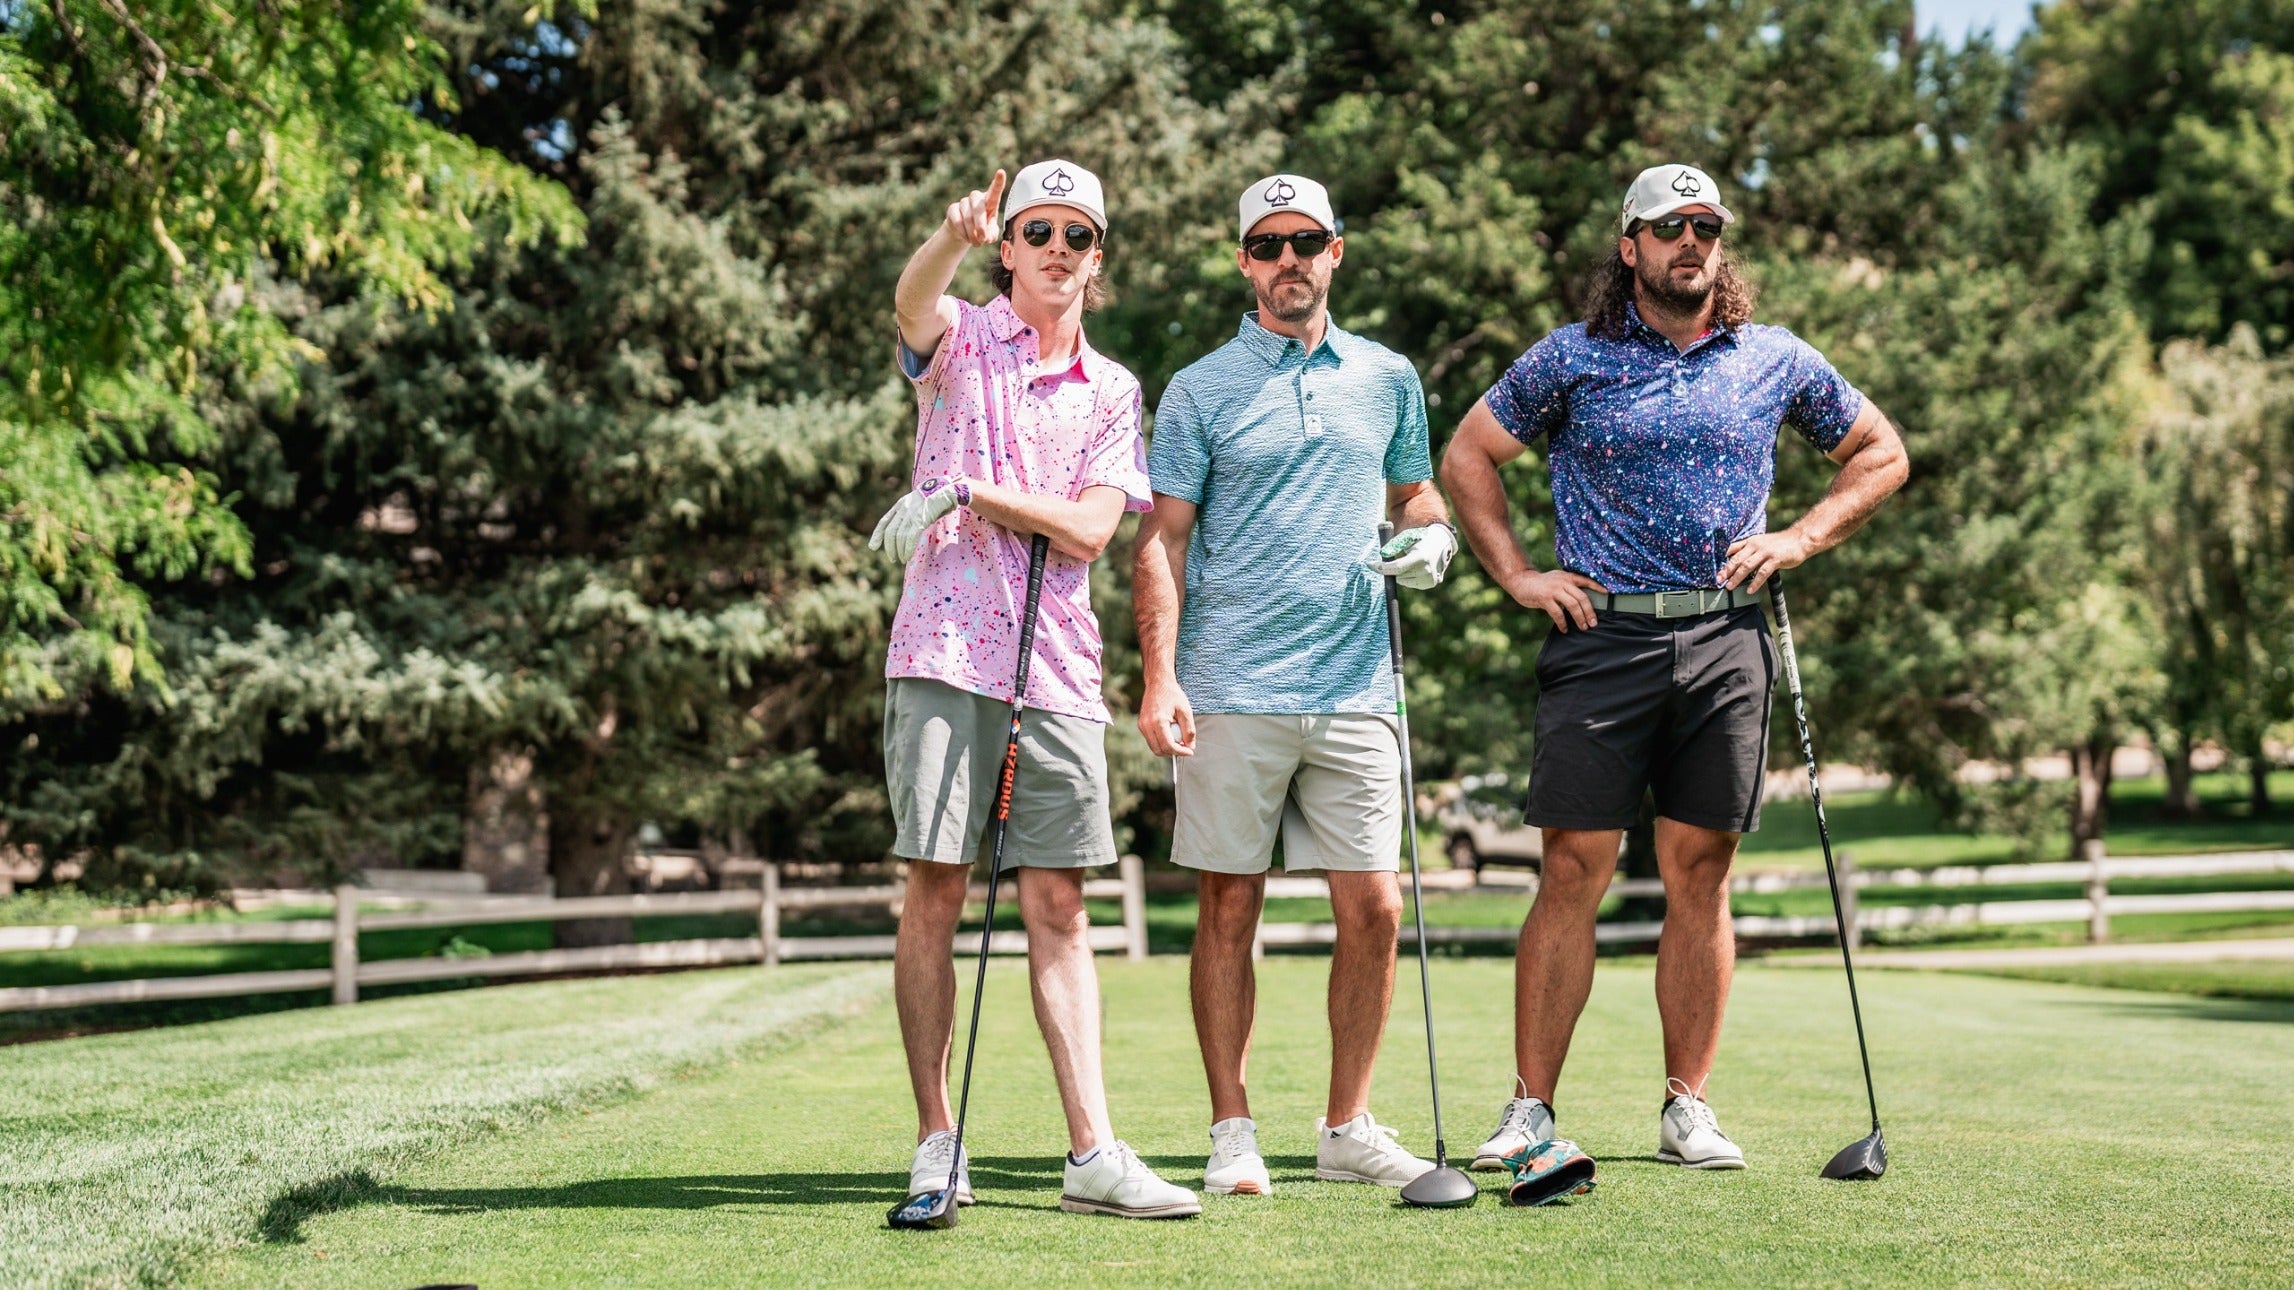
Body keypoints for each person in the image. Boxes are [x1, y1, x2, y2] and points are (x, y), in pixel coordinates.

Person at [1438, 163, 1909, 1174]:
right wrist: (1516, 573)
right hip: (1601, 638)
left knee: (1701, 873)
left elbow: (1880, 452)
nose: (1689, 241)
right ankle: (1530, 1110)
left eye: (1704, 226)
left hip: (1726, 640)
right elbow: (1468, 454)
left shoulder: (1772, 357)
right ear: (1630, 247)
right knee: (1573, 868)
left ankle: (1686, 1106)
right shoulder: (1572, 357)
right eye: (1667, 227)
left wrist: (1800, 538)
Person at [869, 159, 1199, 1220]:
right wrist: (948, 235)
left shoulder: (1113, 389)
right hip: (942, 652)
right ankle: (937, 1142)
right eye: (1038, 231)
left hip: (1054, 667)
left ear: (1096, 260)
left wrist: (966, 489)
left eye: (1077, 236)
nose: (1058, 249)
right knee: (936, 887)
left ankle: (1091, 1153)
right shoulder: (961, 340)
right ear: (1008, 248)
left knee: (1059, 904)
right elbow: (910, 303)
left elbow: (1094, 530)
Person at [1135, 173, 1457, 1197]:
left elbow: (1413, 490)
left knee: (1375, 907)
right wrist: (1158, 675)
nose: (1288, 261)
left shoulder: (1387, 376)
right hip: (1230, 682)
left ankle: (1346, 1126)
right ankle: (1232, 1131)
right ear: (1244, 261)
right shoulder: (1199, 387)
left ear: (1334, 252)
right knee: (1229, 908)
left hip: (1357, 681)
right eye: (1268, 245)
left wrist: (1433, 535)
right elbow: (1162, 541)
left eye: (1305, 242)